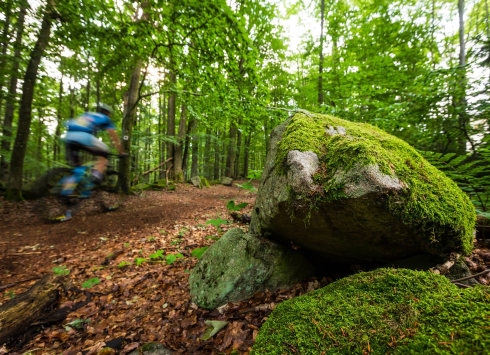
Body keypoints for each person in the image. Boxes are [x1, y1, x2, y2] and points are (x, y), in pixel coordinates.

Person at [64, 103, 126, 191]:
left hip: (69, 136)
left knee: (78, 169)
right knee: (105, 152)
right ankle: (96, 175)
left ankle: (66, 191)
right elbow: (114, 138)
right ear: (108, 113)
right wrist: (121, 152)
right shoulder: (106, 118)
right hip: (83, 136)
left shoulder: (87, 114)